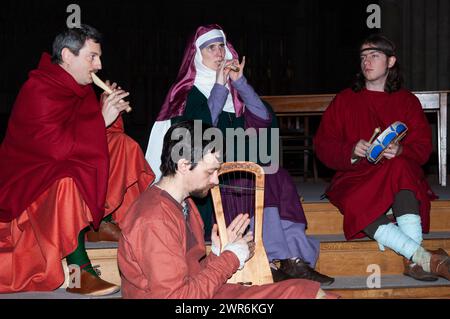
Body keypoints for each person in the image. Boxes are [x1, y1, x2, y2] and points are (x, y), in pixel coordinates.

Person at [145, 24, 333, 285]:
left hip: (243, 161)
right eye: (211, 47)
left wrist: (239, 82)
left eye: (222, 46)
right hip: (209, 174)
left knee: (276, 176)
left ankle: (293, 258)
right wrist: (219, 87)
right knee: (246, 180)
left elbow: (265, 120)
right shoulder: (187, 92)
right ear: (197, 54)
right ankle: (266, 259)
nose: (219, 52)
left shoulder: (236, 92)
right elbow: (198, 134)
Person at [0, 25, 155, 295]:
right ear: (67, 56)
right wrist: (100, 120)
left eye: (99, 57)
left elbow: (84, 136)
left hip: (60, 165)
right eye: (92, 57)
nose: (99, 64)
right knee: (68, 179)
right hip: (28, 188)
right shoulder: (38, 89)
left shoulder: (77, 87)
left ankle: (122, 232)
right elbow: (57, 151)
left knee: (123, 146)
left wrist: (109, 111)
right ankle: (78, 273)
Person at [119, 120, 337, 299]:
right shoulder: (154, 219)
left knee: (307, 291)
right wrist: (230, 257)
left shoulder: (184, 203)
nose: (215, 180)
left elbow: (192, 275)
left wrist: (217, 254)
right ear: (184, 165)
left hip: (204, 293)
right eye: (211, 171)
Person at [314, 34, 450, 282]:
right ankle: (421, 258)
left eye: (374, 55)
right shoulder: (345, 100)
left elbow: (422, 148)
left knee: (401, 167)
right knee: (357, 202)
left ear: (390, 62)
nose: (367, 61)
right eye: (363, 57)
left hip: (398, 174)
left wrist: (401, 151)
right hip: (355, 176)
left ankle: (415, 260)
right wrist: (351, 151)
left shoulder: (407, 101)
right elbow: (322, 145)